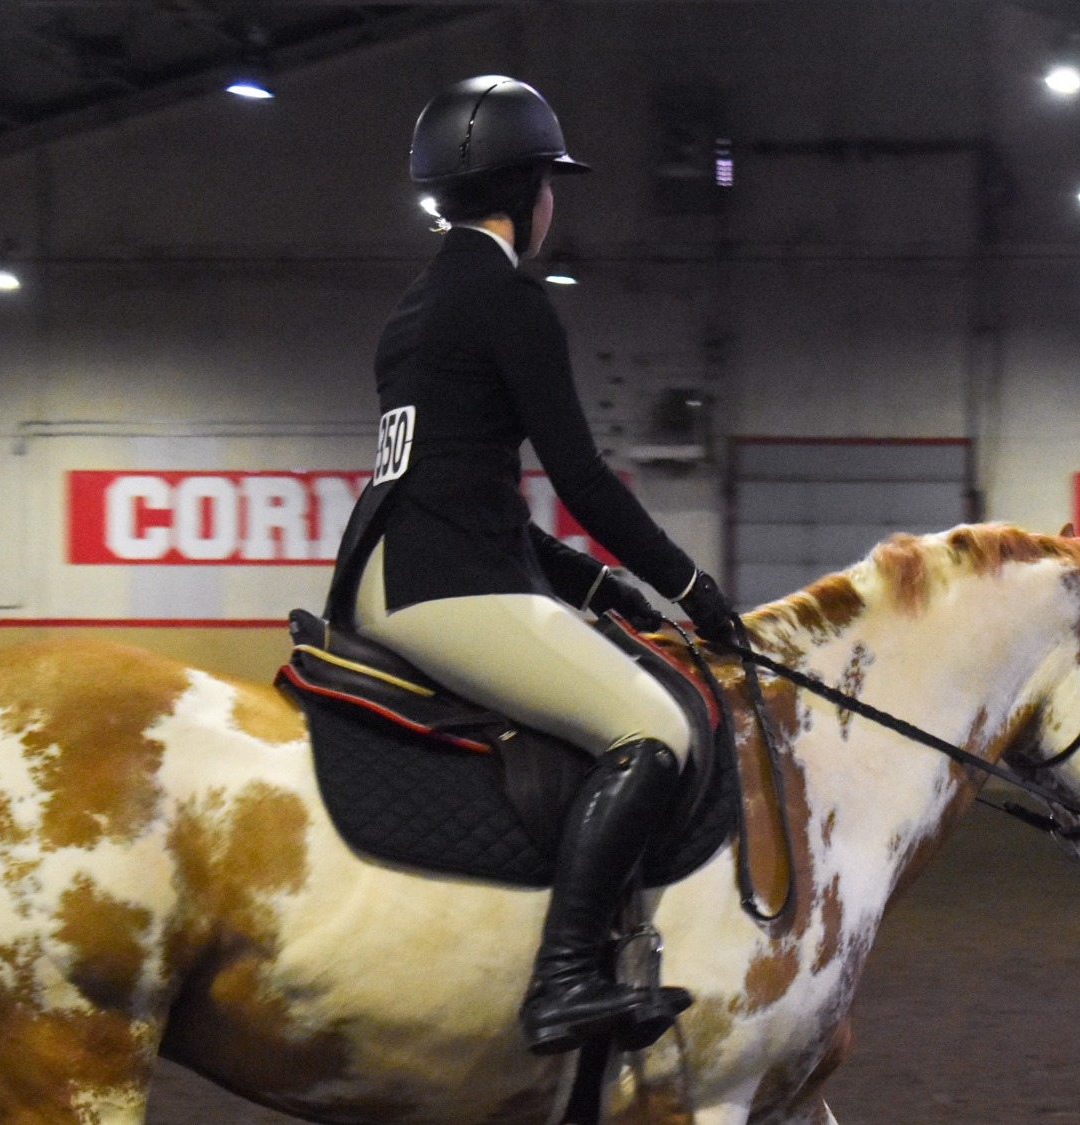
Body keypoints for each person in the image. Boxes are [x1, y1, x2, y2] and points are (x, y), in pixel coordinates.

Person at [326, 75, 743, 1056]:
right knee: (652, 729)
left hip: (400, 569)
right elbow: (585, 483)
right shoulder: (508, 297)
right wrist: (693, 592)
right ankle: (562, 981)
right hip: (445, 587)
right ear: (527, 193)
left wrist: (602, 591)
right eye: (551, 184)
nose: (554, 203)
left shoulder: (420, 302)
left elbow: (466, 490)